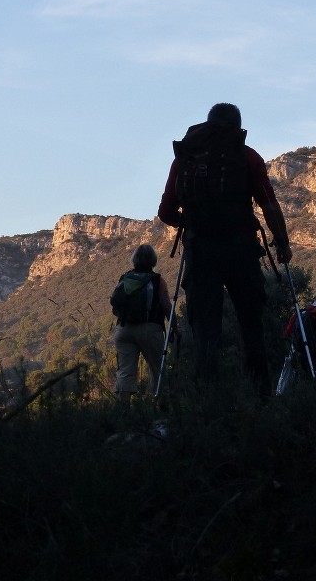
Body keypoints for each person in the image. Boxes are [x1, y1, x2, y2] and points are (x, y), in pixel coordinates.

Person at [157, 102, 292, 399]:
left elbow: (166, 211)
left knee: (205, 328)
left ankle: (207, 401)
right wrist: (282, 242)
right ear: (238, 127)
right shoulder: (247, 157)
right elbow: (269, 204)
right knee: (251, 324)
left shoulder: (185, 159)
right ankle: (260, 399)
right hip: (241, 249)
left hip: (200, 251)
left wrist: (189, 223)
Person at [112, 243, 171, 404]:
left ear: (134, 260)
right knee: (158, 369)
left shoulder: (125, 278)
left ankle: (124, 411)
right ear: (153, 260)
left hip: (123, 329)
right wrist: (174, 327)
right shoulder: (157, 281)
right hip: (149, 329)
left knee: (125, 371)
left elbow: (115, 304)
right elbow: (166, 306)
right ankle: (161, 406)